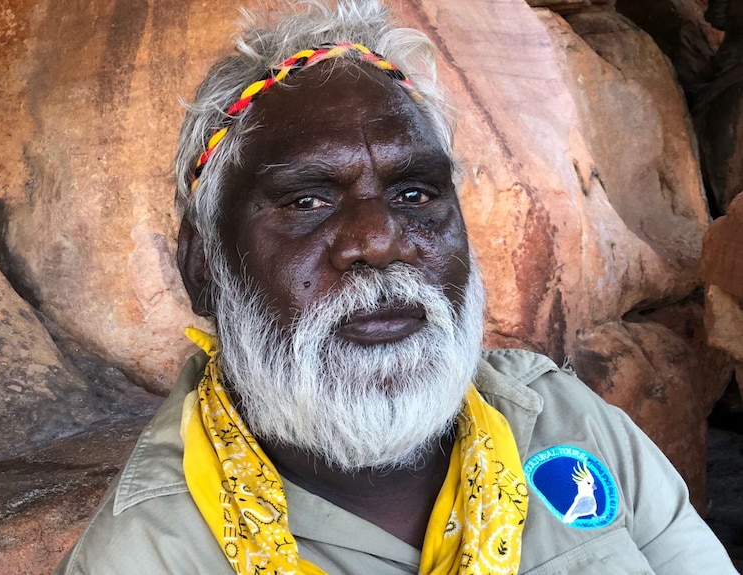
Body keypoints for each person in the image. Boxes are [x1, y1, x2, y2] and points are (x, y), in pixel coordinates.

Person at [55, 1, 739, 573]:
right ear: (204, 267)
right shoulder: (149, 553)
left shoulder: (560, 421)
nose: (380, 240)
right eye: (306, 201)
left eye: (415, 192)